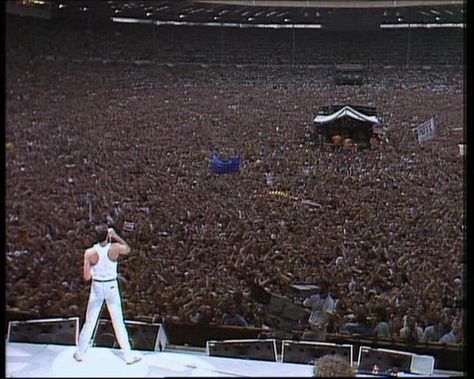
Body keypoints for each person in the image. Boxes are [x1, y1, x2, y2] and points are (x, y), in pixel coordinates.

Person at [73, 225, 141, 364]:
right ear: (107, 236)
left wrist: (95, 272)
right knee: (118, 322)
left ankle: (80, 353)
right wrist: (115, 235)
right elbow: (127, 249)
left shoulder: (89, 252)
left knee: (90, 320)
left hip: (97, 286)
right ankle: (128, 356)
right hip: (111, 286)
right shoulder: (114, 248)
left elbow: (86, 277)